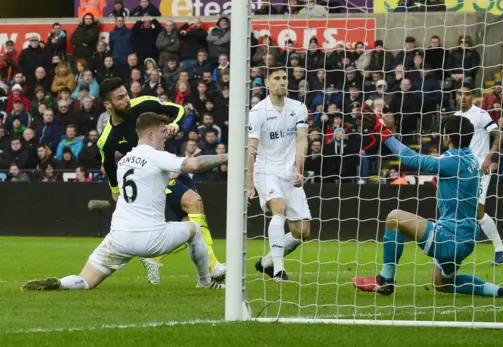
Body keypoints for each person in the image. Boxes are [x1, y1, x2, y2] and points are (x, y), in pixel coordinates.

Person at [21, 112, 227, 291]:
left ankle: (62, 283)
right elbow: (195, 164)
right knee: (195, 230)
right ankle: (205, 281)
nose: (166, 138)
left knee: (86, 281)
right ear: (150, 134)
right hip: (152, 239)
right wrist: (230, 155)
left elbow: (156, 177)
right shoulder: (157, 156)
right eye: (163, 133)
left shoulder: (125, 161)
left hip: (119, 239)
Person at [352, 113, 503, 299]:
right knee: (442, 284)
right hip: (467, 239)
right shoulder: (470, 159)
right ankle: (499, 291)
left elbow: (410, 159)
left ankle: (385, 279)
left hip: (449, 238)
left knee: (394, 218)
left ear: (448, 137)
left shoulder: (452, 160)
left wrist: (382, 131)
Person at [96, 78, 225, 284]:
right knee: (194, 203)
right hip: (153, 178)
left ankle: (156, 259)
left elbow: (179, 110)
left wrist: (173, 124)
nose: (127, 100)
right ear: (108, 105)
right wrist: (115, 190)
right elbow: (109, 165)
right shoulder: (107, 138)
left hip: (173, 164)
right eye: (120, 98)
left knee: (190, 217)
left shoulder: (145, 104)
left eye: (127, 94)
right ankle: (213, 266)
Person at [248, 63, 311, 282]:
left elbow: (302, 139)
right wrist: (249, 183)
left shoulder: (298, 107)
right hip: (266, 170)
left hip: (289, 171)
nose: (282, 81)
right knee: (279, 209)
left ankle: (266, 263)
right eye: (276, 78)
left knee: (302, 232)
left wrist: (298, 168)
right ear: (267, 83)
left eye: (284, 77)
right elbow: (252, 149)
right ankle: (278, 272)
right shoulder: (257, 113)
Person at [455, 82, 503, 265]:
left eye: (467, 94)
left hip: (479, 170)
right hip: (460, 171)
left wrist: (489, 158)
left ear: (473, 97)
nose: (463, 97)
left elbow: (500, 136)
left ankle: (500, 250)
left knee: (477, 210)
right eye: (460, 94)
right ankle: (456, 250)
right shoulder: (455, 117)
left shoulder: (481, 114)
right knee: (460, 210)